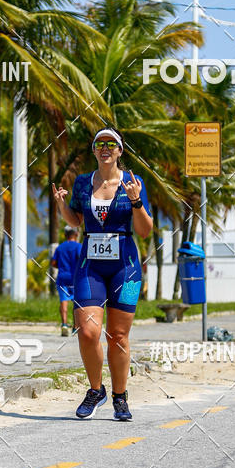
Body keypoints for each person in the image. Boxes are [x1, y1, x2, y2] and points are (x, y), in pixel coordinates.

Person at [52, 127, 153, 421]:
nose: (105, 148)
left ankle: (120, 396)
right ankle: (96, 390)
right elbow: (76, 219)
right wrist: (61, 205)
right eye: (100, 144)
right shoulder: (84, 183)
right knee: (87, 331)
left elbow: (145, 230)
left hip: (126, 267)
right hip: (90, 266)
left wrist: (135, 202)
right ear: (94, 150)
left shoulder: (134, 182)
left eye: (111, 144)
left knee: (118, 335)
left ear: (120, 150)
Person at [51, 226, 82, 336]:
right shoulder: (79, 246)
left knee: (64, 300)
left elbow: (53, 263)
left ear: (65, 235)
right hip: (75, 278)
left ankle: (64, 324)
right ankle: (75, 327)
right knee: (76, 302)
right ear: (76, 234)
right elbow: (82, 259)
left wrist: (62, 265)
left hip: (62, 277)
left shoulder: (60, 248)